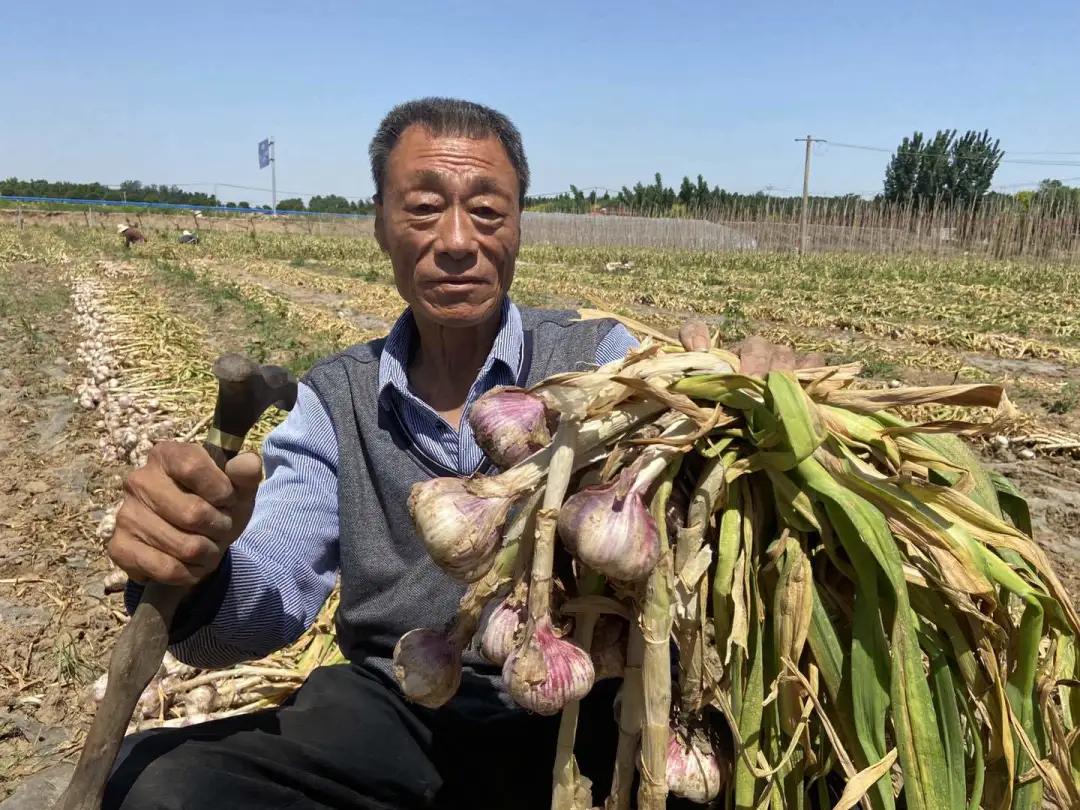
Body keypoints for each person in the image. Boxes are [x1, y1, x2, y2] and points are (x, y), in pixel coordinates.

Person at [103, 98, 804, 809]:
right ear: (378, 222)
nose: (458, 240)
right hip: (399, 705)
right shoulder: (335, 399)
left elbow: (697, 456)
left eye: (489, 212)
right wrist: (198, 568)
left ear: (520, 226)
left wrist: (751, 408)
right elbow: (267, 599)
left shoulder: (603, 359)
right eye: (425, 208)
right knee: (157, 785)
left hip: (586, 709)